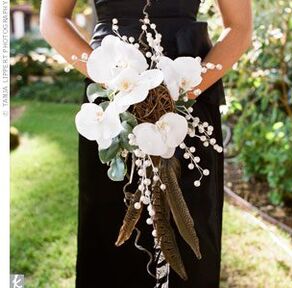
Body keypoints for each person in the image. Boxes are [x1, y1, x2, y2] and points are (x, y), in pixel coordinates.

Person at [40, 1, 252, 287]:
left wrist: (181, 93)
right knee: (110, 234)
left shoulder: (187, 93)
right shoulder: (113, 90)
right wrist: (116, 86)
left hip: (189, 92)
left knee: (191, 236)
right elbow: (52, 18)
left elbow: (239, 27)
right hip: (114, 96)